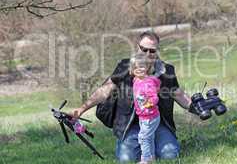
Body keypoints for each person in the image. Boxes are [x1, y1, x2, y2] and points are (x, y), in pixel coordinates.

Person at [70, 31, 194, 162]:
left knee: (170, 155)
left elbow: (178, 94)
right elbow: (104, 90)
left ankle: (151, 148)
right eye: (144, 49)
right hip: (129, 125)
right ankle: (139, 147)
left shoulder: (166, 71)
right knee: (126, 159)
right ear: (137, 47)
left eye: (152, 51)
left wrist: (197, 106)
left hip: (156, 122)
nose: (147, 54)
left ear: (157, 51)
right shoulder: (124, 67)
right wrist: (81, 109)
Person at [130, 53, 161, 164]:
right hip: (142, 116)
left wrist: (149, 103)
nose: (138, 69)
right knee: (149, 137)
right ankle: (151, 158)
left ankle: (145, 160)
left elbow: (154, 98)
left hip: (150, 116)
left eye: (141, 66)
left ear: (148, 67)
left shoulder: (148, 83)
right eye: (135, 67)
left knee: (143, 138)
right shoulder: (136, 80)